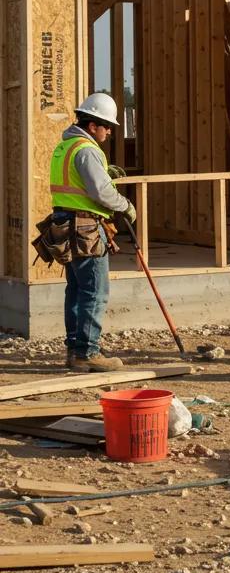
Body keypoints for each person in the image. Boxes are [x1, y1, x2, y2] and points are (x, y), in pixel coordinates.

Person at [50, 93, 135, 371]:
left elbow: (80, 183)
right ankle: (88, 352)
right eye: (106, 126)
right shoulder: (86, 151)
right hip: (85, 226)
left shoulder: (66, 147)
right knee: (95, 291)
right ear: (91, 126)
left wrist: (102, 171)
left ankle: (75, 350)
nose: (109, 131)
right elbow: (100, 192)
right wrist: (125, 205)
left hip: (65, 224)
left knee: (75, 289)